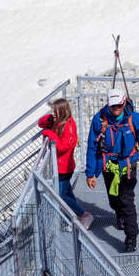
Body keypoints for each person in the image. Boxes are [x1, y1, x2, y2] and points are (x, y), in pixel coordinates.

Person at [85, 89, 139, 252]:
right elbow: (92, 147)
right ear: (108, 104)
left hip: (128, 165)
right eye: (113, 105)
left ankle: (131, 237)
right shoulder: (99, 119)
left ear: (124, 103)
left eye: (119, 105)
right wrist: (90, 173)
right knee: (114, 198)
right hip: (108, 165)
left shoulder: (133, 119)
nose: (116, 108)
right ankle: (119, 214)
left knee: (127, 200)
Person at [38, 98, 94, 230]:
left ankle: (84, 215)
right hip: (60, 166)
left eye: (56, 111)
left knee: (61, 195)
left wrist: (50, 134)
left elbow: (63, 147)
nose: (53, 114)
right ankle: (80, 215)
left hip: (64, 168)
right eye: (53, 111)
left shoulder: (69, 126)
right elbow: (40, 123)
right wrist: (50, 119)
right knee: (67, 192)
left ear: (63, 112)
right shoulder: (57, 121)